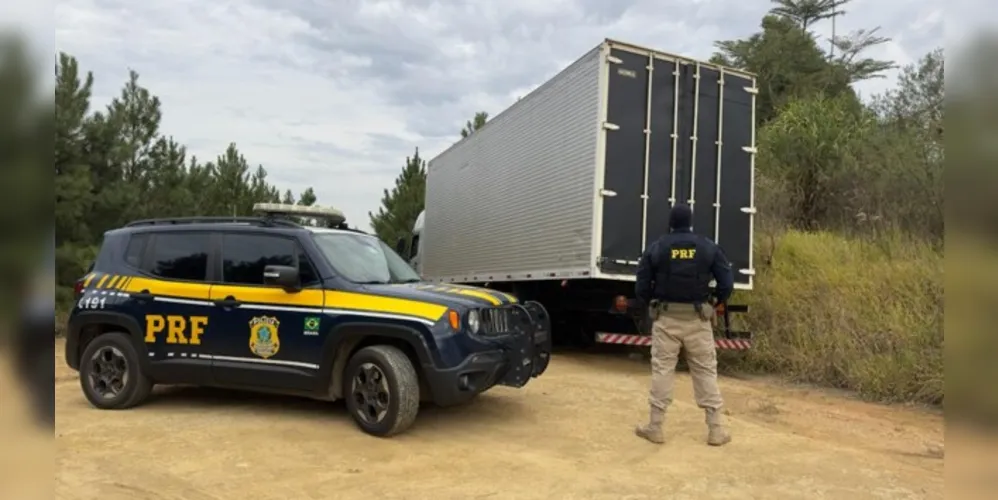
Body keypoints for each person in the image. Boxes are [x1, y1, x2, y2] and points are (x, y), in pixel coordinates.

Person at [633, 203, 734, 446]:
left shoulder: (657, 248)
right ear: (690, 223)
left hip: (666, 320)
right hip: (698, 320)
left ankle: (655, 427)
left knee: (662, 370)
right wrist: (714, 301)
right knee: (705, 371)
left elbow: (641, 286)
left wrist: (652, 304)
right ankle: (716, 430)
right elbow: (727, 282)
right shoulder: (707, 247)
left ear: (670, 223)